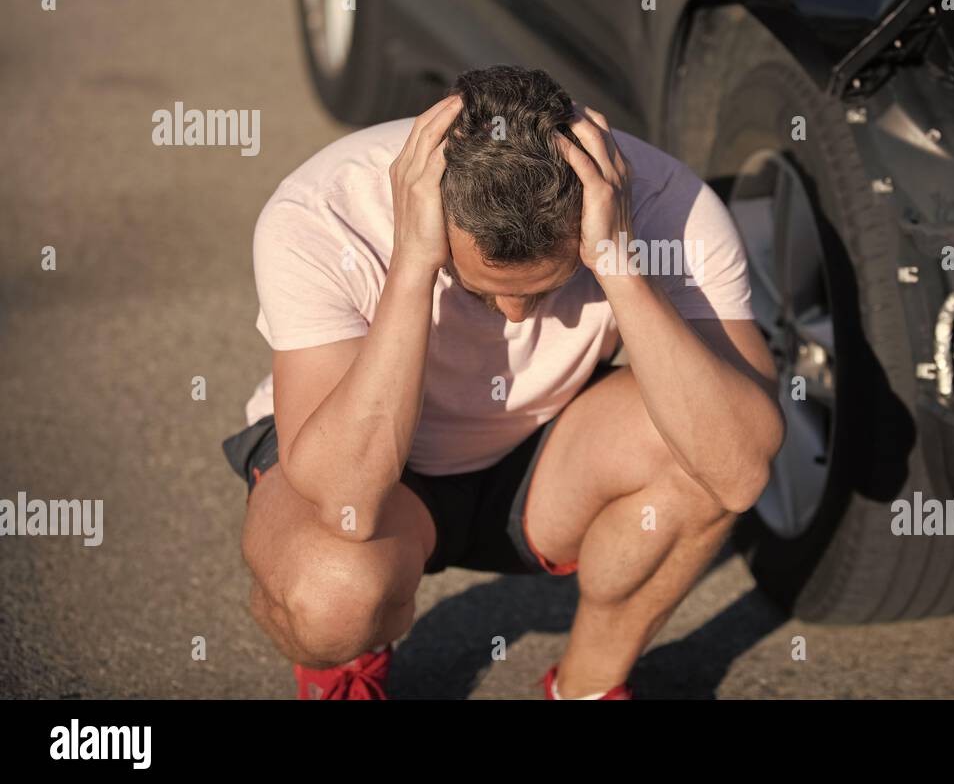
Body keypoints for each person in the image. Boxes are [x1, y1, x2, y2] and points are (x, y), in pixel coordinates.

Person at [223, 65, 783, 699]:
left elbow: (738, 472)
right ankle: (348, 660)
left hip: (540, 456)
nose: (518, 315)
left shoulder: (667, 205)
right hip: (364, 467)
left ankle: (587, 689)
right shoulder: (325, 209)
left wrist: (617, 265)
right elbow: (343, 502)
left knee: (702, 452)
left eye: (545, 287)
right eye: (483, 290)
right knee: (327, 599)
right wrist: (413, 264)